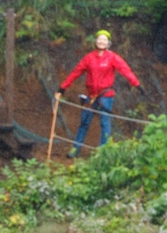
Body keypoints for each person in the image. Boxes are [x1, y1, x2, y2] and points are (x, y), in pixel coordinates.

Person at [55, 30, 143, 158]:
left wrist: (136, 84)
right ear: (96, 41)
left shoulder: (112, 57)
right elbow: (76, 72)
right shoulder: (89, 58)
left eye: (104, 39)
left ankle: (103, 152)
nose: (102, 42)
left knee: (104, 122)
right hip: (90, 96)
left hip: (105, 95)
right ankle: (76, 148)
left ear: (108, 43)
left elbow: (125, 70)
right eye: (99, 39)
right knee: (84, 122)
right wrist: (63, 88)